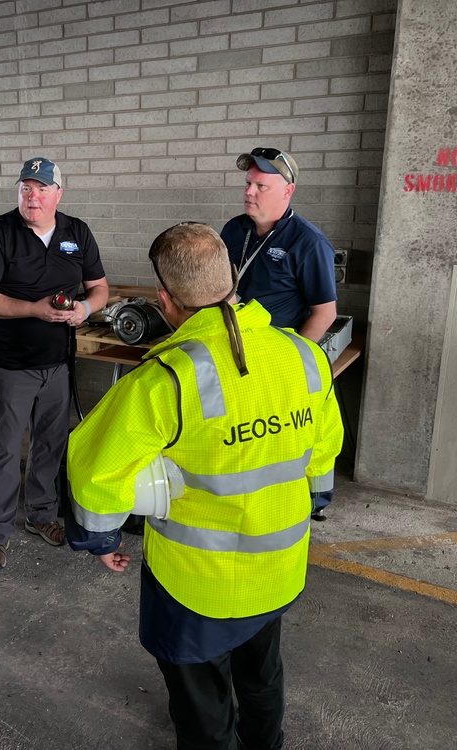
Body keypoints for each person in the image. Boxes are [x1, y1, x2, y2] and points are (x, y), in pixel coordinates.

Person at [65, 223, 343, 750]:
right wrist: (314, 503)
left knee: (201, 704)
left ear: (165, 301)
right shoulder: (303, 356)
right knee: (261, 676)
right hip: (279, 565)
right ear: (233, 281)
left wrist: (102, 538)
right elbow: (323, 454)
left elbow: (94, 468)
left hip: (196, 584)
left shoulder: (166, 379)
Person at [0, 156, 109, 571]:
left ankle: (42, 516)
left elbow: (99, 288)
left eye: (42, 188)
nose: (33, 196)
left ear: (58, 194)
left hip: (60, 363)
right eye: (26, 188)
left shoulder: (75, 232)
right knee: (5, 451)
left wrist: (84, 308)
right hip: (10, 365)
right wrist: (35, 309)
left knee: (51, 445)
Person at [221, 148, 337, 342]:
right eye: (248, 183)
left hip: (273, 348)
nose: (249, 191)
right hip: (232, 340)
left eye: (261, 186)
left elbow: (325, 314)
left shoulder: (309, 243)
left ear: (287, 191)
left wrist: (295, 356)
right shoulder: (234, 228)